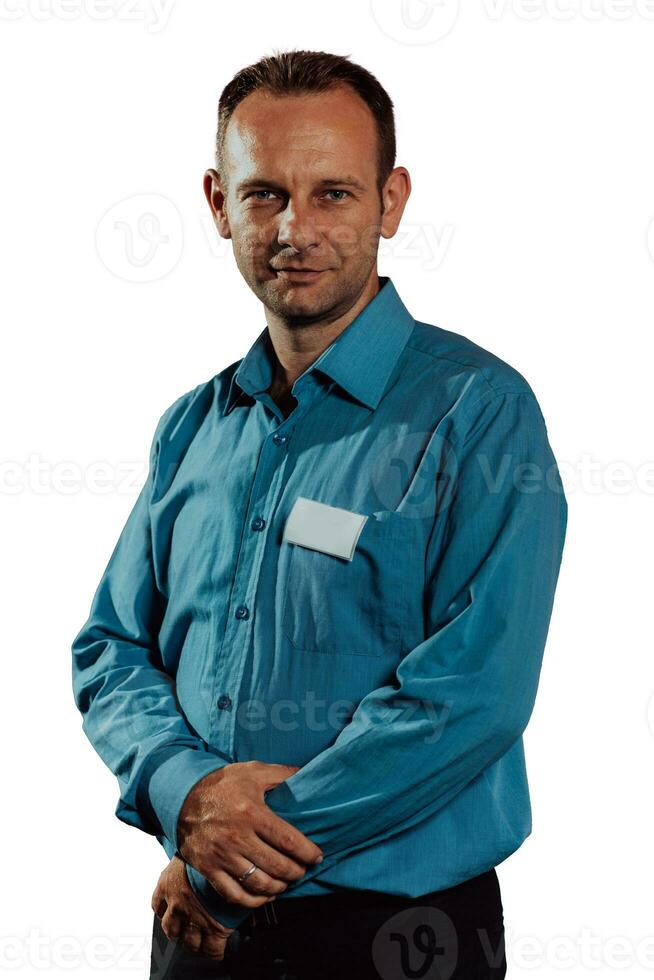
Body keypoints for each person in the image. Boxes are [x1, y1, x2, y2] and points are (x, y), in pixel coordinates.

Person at [71, 48, 568, 979]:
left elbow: (473, 696)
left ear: (392, 200)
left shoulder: (478, 412)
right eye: (265, 194)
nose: (296, 228)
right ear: (219, 204)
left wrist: (229, 857)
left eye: (334, 193)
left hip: (394, 937)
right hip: (196, 933)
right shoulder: (191, 428)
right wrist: (184, 797)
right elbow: (109, 650)